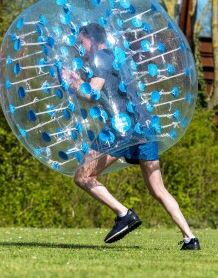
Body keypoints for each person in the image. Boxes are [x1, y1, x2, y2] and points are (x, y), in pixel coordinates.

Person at [60, 23, 200, 250]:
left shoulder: (102, 58)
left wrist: (73, 81)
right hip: (143, 124)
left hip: (121, 127)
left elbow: (92, 94)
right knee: (158, 189)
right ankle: (190, 238)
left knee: (83, 176)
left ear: (93, 39)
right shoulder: (114, 58)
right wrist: (78, 79)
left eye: (82, 42)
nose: (80, 48)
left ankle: (124, 214)